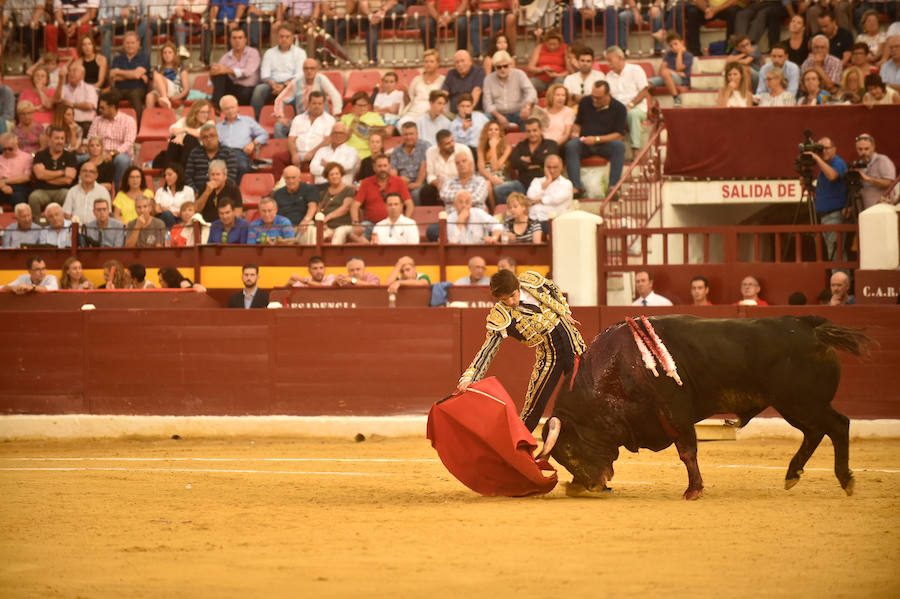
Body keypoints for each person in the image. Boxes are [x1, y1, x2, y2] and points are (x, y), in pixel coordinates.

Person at [455, 269, 586, 432]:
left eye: (513, 295)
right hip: (549, 355)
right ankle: (516, 446)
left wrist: (565, 311)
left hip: (573, 343)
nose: (510, 302)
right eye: (504, 299)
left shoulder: (531, 281)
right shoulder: (502, 315)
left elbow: (552, 287)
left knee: (586, 391)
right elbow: (488, 348)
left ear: (518, 287)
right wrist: (470, 377)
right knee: (533, 406)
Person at [565, 81, 626, 199]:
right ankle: (576, 188)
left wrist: (597, 139)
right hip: (585, 142)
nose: (594, 100)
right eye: (593, 96)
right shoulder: (585, 102)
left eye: (598, 98)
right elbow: (578, 123)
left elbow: (619, 135)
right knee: (571, 145)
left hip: (605, 143)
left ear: (608, 95)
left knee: (619, 146)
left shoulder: (620, 108)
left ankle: (613, 187)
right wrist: (575, 133)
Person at [274, 91, 335, 181]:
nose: (317, 106)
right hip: (297, 153)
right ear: (309, 104)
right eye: (314, 103)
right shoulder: (298, 119)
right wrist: (294, 154)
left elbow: (327, 141)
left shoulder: (329, 120)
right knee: (278, 157)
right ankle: (279, 186)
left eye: (320, 103)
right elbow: (291, 139)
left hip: (316, 154)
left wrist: (311, 153)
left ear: (324, 104)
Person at [352, 154, 414, 242]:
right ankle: (371, 247)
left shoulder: (399, 182)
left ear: (390, 167)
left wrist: (405, 222)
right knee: (353, 234)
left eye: (385, 166)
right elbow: (354, 205)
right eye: (379, 166)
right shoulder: (366, 183)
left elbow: (410, 204)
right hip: (371, 224)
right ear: (374, 168)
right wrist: (355, 223)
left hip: (395, 223)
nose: (382, 169)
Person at [252, 24, 307, 120]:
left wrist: (284, 86)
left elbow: (299, 75)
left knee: (299, 93)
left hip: (291, 85)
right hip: (272, 85)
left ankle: (299, 123)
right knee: (259, 90)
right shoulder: (270, 52)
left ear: (292, 37)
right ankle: (256, 120)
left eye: (287, 37)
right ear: (277, 37)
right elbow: (264, 74)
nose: (284, 39)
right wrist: (274, 85)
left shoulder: (300, 53)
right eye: (281, 36)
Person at [87, 92, 137, 191]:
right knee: (80, 159)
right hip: (98, 154)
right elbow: (90, 138)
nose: (99, 110)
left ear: (112, 107)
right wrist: (100, 154)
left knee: (122, 160)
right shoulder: (97, 120)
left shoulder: (128, 121)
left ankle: (119, 192)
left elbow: (128, 143)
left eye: (102, 108)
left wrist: (112, 154)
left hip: (118, 155)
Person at [604, 46, 650, 153]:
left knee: (632, 114)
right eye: (607, 61)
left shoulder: (636, 69)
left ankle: (636, 150)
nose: (608, 64)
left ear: (619, 58)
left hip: (637, 108)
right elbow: (608, 97)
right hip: (617, 110)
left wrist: (630, 105)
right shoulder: (608, 77)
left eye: (610, 60)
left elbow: (644, 91)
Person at [217, 94, 269, 183]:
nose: (230, 111)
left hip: (240, 153)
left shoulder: (248, 121)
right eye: (227, 109)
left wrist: (253, 143)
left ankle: (236, 192)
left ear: (237, 107)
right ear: (222, 111)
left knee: (242, 166)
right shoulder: (218, 126)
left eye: (232, 107)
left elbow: (264, 134)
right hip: (222, 153)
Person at [274, 58, 343, 124]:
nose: (309, 71)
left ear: (317, 70)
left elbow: (334, 95)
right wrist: (280, 116)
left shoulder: (322, 79)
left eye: (312, 68)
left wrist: (336, 114)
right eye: (306, 68)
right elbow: (281, 99)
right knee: (279, 127)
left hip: (321, 121)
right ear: (303, 70)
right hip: (302, 121)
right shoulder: (296, 82)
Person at [507, 118, 559, 204]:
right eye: (528, 131)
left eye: (534, 130)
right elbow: (513, 162)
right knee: (499, 190)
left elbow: (549, 161)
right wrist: (527, 165)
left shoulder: (551, 144)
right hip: (523, 184)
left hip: (545, 184)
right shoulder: (521, 145)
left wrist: (527, 159)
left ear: (540, 130)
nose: (532, 134)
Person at [482, 51, 537, 130]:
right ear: (494, 67)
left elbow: (531, 92)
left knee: (530, 118)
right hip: (497, 113)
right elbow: (487, 104)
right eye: (499, 67)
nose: (502, 69)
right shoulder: (488, 80)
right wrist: (499, 116)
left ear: (510, 64)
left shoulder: (519, 74)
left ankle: (527, 141)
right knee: (484, 118)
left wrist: (527, 106)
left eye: (505, 66)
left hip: (518, 112)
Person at [29, 126, 78, 215]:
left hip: (62, 191)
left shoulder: (70, 156)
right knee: (33, 197)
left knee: (69, 195)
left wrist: (45, 176)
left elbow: (68, 180)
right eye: (56, 138)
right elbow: (39, 175)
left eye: (62, 138)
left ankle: (67, 224)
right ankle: (36, 226)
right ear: (50, 139)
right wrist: (62, 172)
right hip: (43, 190)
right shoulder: (40, 155)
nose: (60, 141)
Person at [186, 124, 239, 203]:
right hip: (199, 194)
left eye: (212, 136)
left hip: (223, 194)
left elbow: (231, 176)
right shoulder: (195, 153)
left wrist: (218, 191)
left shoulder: (228, 152)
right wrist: (196, 192)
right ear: (201, 139)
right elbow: (188, 176)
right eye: (205, 137)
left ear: (217, 137)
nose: (209, 139)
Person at [210, 27, 261, 107]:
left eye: (240, 38)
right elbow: (213, 82)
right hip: (232, 89)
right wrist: (212, 73)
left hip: (248, 89)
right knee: (218, 73)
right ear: (230, 40)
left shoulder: (253, 53)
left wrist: (227, 70)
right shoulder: (225, 57)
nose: (237, 40)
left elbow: (247, 72)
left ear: (245, 40)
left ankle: (218, 106)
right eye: (234, 38)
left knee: (244, 92)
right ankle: (216, 107)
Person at [422, 131, 474, 207]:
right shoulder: (430, 152)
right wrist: (438, 184)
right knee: (426, 191)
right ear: (439, 146)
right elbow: (430, 175)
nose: (452, 145)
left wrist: (453, 186)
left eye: (452, 141)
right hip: (440, 184)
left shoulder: (463, 149)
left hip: (459, 183)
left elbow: (470, 171)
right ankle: (431, 215)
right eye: (447, 144)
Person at [109, 32, 151, 123]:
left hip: (137, 89)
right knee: (109, 97)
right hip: (119, 89)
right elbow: (114, 77)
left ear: (138, 44)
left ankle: (138, 129)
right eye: (127, 43)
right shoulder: (117, 58)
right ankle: (110, 125)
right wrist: (135, 75)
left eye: (132, 43)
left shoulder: (144, 58)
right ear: (123, 44)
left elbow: (136, 74)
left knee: (135, 96)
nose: (130, 45)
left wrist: (119, 72)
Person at [399, 50, 446, 126]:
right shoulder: (416, 79)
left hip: (432, 114)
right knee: (402, 123)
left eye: (431, 62)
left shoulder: (443, 80)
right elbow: (408, 102)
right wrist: (405, 93)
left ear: (438, 64)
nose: (428, 64)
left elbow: (443, 101)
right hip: (414, 113)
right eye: (426, 62)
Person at [646, 33, 693, 106]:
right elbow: (662, 70)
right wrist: (675, 72)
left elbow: (679, 68)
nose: (674, 47)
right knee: (645, 84)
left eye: (675, 44)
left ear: (682, 43)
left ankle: (676, 98)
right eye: (671, 46)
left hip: (681, 80)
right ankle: (649, 107)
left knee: (666, 72)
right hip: (667, 77)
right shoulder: (669, 54)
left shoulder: (688, 55)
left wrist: (679, 53)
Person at [274, 165, 318, 243]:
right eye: (288, 178)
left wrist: (306, 220)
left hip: (302, 225)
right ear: (284, 178)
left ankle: (309, 254)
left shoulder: (309, 189)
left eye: (293, 177)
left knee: (310, 228)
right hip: (284, 227)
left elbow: (312, 206)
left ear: (299, 178)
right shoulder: (278, 194)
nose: (291, 181)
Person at [853, 133, 897, 210]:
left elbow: (890, 183)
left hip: (882, 210)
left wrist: (868, 179)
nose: (863, 152)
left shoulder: (883, 160)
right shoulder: (858, 164)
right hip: (865, 211)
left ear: (873, 147)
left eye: (866, 149)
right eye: (860, 149)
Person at [526, 155, 573, 223]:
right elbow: (531, 196)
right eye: (549, 167)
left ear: (561, 167)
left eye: (555, 167)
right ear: (544, 167)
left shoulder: (566, 183)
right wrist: (548, 182)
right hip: (532, 220)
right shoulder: (536, 181)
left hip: (554, 222)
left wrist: (536, 201)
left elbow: (556, 199)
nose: (552, 171)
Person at [167, 100, 216, 166]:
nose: (205, 115)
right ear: (195, 113)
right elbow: (172, 129)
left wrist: (184, 130)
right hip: (183, 154)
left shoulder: (210, 123)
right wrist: (179, 135)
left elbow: (201, 134)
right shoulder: (184, 120)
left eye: (207, 112)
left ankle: (184, 171)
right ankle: (169, 169)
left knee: (190, 138)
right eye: (203, 112)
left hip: (201, 156)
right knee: (174, 138)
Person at [391, 123, 430, 204]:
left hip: (421, 182)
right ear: (402, 136)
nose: (408, 137)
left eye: (411, 134)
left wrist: (417, 183)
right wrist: (400, 182)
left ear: (417, 135)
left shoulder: (424, 146)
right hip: (402, 182)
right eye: (405, 134)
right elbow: (393, 173)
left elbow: (424, 167)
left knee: (415, 194)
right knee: (392, 194)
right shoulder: (396, 151)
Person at [55, 62, 98, 134]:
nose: (71, 73)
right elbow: (57, 100)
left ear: (82, 74)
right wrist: (60, 80)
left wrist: (71, 104)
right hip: (66, 124)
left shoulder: (89, 88)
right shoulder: (64, 88)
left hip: (86, 124)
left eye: (74, 70)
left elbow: (89, 106)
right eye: (70, 71)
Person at [318, 163, 356, 244]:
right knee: (316, 235)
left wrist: (328, 217)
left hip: (344, 225)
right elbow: (319, 210)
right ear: (327, 177)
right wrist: (321, 222)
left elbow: (345, 208)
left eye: (337, 174)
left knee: (339, 233)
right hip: (327, 226)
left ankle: (334, 256)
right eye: (331, 174)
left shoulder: (348, 189)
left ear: (341, 175)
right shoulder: (323, 192)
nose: (334, 176)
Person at [195, 159, 243, 224]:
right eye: (212, 175)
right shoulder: (204, 188)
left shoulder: (233, 189)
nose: (215, 177)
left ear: (225, 176)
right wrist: (207, 192)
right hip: (206, 225)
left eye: (218, 174)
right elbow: (197, 209)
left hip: (226, 226)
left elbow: (238, 213)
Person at [341, 92, 386, 161]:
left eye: (364, 105)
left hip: (368, 153)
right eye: (359, 105)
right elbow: (338, 137)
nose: (362, 108)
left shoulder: (374, 116)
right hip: (348, 153)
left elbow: (384, 133)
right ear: (353, 105)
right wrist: (348, 134)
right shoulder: (345, 118)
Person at [476, 121, 512, 207]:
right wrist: (491, 178)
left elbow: (495, 167)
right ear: (486, 133)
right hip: (486, 175)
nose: (493, 132)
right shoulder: (481, 148)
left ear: (500, 132)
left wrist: (493, 147)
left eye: (496, 129)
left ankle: (495, 210)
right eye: (490, 130)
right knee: (488, 184)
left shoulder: (507, 147)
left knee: (491, 184)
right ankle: (493, 210)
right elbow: (481, 168)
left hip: (501, 174)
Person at [145, 42, 189, 110]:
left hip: (175, 91)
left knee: (158, 76)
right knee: (149, 96)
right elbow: (154, 85)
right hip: (160, 91)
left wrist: (176, 97)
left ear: (174, 54)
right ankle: (151, 118)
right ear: (162, 55)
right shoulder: (158, 68)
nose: (167, 55)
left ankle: (165, 98)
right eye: (164, 53)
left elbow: (186, 89)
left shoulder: (181, 69)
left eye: (170, 52)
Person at [525, 29, 569, 95]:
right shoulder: (540, 47)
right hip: (540, 79)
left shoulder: (565, 48)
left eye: (554, 44)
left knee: (559, 82)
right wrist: (542, 69)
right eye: (549, 44)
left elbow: (569, 71)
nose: (552, 47)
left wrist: (556, 75)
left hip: (557, 78)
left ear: (560, 43)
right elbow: (530, 68)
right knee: (529, 83)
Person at [154, 164, 195, 229]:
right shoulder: (160, 191)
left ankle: (173, 234)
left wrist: (179, 213)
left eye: (170, 175)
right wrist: (163, 209)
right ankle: (174, 234)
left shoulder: (188, 190)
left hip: (182, 218)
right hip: (165, 218)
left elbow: (190, 208)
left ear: (178, 175)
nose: (166, 178)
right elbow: (156, 210)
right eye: (165, 175)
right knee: (167, 214)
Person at [0, 134, 33, 209]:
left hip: (20, 187)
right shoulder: (0, 158)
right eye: (4, 149)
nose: (7, 151)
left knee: (17, 197)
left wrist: (6, 181)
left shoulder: (26, 157)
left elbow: (26, 177)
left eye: (10, 149)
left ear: (16, 145)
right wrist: (3, 186)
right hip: (1, 186)